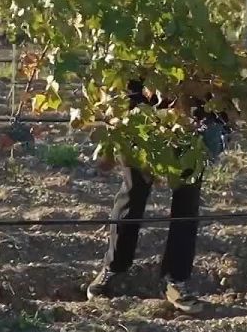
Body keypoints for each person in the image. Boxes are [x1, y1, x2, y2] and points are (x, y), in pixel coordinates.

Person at [87, 79, 227, 314]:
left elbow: (215, 81)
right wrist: (134, 113)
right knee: (133, 192)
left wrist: (212, 120)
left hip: (191, 126)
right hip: (140, 124)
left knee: (187, 201)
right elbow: (128, 76)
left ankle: (176, 280)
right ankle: (113, 267)